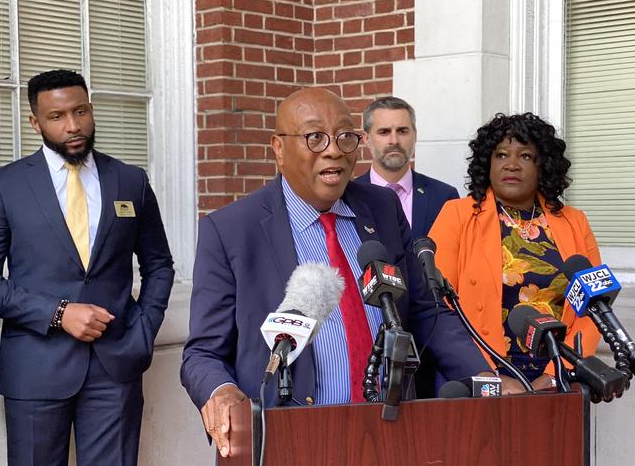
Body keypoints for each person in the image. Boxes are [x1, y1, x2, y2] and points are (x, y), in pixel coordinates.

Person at [180, 87, 489, 458]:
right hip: (288, 439)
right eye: (315, 138)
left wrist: (484, 377)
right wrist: (221, 391)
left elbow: (426, 311)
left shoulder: (382, 209)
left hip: (390, 429)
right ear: (278, 148)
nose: (333, 150)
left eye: (346, 137)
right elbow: (202, 353)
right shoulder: (231, 229)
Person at [0, 69, 174, 465]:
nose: (73, 126)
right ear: (36, 122)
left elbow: (159, 265)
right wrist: (58, 314)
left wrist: (143, 330)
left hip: (116, 367)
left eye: (81, 111)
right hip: (34, 369)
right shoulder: (3, 186)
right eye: (57, 117)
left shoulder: (130, 181)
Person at [429, 112, 602, 393]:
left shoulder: (574, 222)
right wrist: (489, 376)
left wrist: (556, 375)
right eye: (501, 155)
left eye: (525, 156)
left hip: (558, 377)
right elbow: (436, 306)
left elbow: (594, 310)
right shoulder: (457, 215)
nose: (511, 165)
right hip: (480, 372)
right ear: (488, 163)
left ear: (543, 165)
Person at [355, 96, 459, 239]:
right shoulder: (348, 197)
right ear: (366, 139)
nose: (394, 141)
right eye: (384, 132)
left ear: (415, 135)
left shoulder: (444, 197)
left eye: (402, 131)